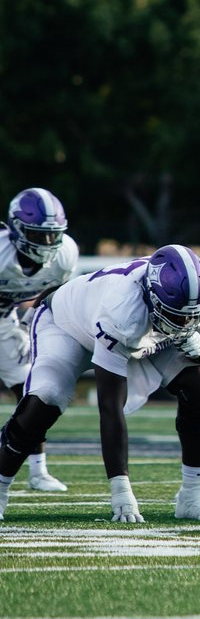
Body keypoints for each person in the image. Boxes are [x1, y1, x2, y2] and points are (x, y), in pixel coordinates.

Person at [0, 245, 200, 522]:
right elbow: (110, 406)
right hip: (67, 327)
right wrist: (121, 490)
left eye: (190, 317)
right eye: (176, 315)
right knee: (48, 397)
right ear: (152, 295)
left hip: (144, 331)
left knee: (197, 383)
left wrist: (199, 347)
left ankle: (192, 498)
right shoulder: (122, 310)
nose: (183, 323)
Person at [0, 188, 77, 493]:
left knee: (33, 391)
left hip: (4, 321)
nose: (47, 244)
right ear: (17, 230)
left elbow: (58, 291)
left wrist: (34, 317)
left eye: (52, 235)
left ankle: (38, 471)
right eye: (38, 235)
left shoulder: (65, 254)